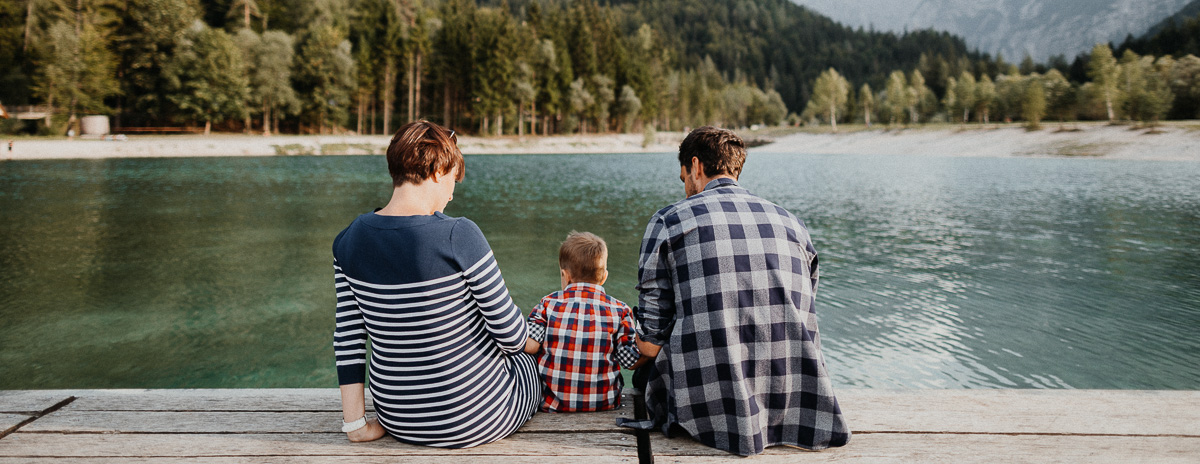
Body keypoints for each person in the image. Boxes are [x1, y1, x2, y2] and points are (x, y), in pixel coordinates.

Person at [634, 126, 850, 456]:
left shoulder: (669, 221)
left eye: (684, 180)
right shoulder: (791, 223)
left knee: (645, 372)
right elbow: (804, 303)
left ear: (696, 167)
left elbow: (650, 342)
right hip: (794, 395)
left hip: (709, 411)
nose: (687, 190)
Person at [332, 120, 540, 447]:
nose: (453, 195)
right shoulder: (459, 234)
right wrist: (538, 344)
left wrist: (356, 425)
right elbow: (510, 335)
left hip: (400, 420)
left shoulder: (347, 241)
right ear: (437, 171)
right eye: (453, 180)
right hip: (477, 417)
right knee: (529, 361)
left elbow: (348, 338)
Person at [524, 231, 642, 412]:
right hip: (605, 404)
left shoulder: (547, 305)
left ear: (566, 275)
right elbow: (630, 361)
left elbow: (530, 345)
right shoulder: (620, 311)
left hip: (553, 405)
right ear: (604, 277)